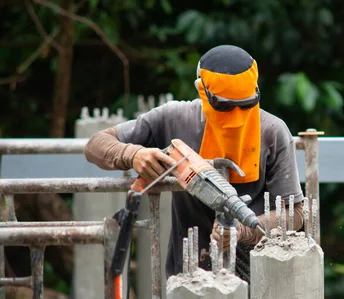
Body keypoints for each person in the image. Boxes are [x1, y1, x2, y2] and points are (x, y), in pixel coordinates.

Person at [84, 44, 305, 282]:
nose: (237, 117)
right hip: (189, 276)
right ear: (202, 91)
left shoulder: (272, 131)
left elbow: (295, 214)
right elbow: (96, 145)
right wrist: (133, 154)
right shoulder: (175, 119)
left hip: (259, 278)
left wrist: (242, 230)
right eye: (225, 106)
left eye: (246, 105)